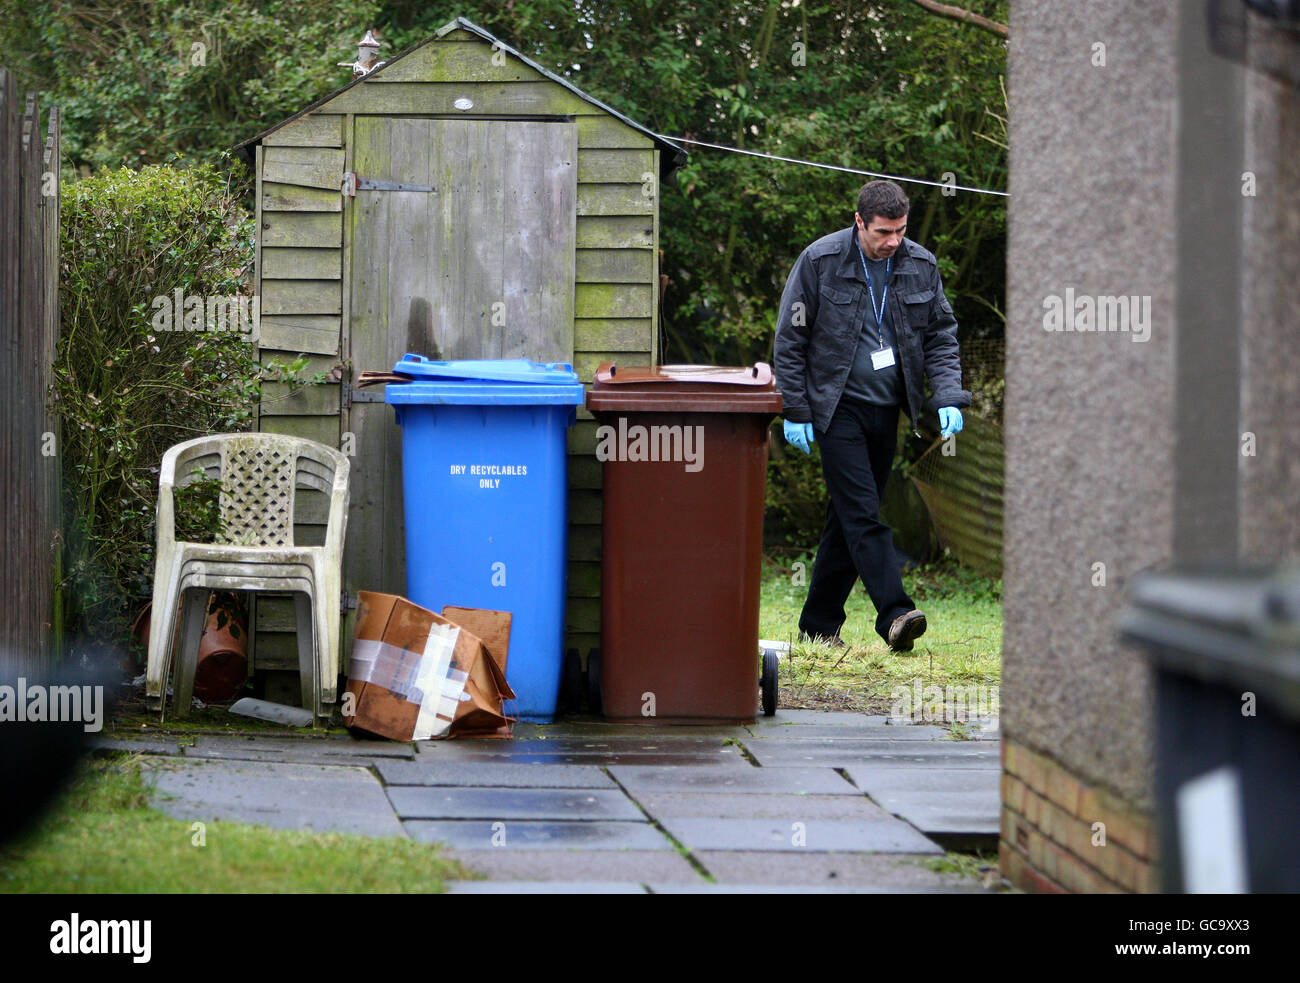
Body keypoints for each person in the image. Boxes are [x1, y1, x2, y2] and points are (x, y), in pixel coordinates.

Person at [773, 180, 971, 652]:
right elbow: (791, 337)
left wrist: (947, 396)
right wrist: (795, 407)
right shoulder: (821, 261)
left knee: (846, 519)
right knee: (863, 512)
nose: (893, 241)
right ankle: (896, 612)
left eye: (901, 230)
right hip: (835, 407)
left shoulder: (920, 265)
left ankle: (818, 626)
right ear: (859, 222)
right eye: (884, 232)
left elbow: (941, 335)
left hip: (889, 410)